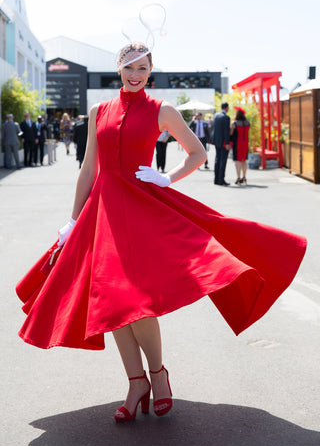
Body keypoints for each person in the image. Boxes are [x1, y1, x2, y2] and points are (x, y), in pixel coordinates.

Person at [16, 42, 306, 424]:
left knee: (137, 302)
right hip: (102, 214)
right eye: (129, 67)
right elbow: (88, 169)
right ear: (118, 70)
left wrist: (167, 178)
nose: (135, 74)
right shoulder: (98, 111)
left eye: (142, 67)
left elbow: (198, 153)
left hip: (142, 210)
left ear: (150, 71)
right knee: (113, 302)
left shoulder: (162, 110)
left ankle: (157, 375)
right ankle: (136, 383)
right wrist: (72, 221)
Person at [212, 103, 231, 185]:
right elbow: (226, 131)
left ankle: (216, 179)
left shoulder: (216, 115)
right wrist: (227, 143)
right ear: (227, 108)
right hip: (223, 142)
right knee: (223, 161)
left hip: (216, 141)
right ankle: (221, 180)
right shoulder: (226, 117)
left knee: (217, 160)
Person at [231, 107, 250, 185]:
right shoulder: (247, 122)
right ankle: (244, 177)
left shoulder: (234, 123)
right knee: (244, 160)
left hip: (238, 143)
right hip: (245, 142)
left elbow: (231, 133)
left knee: (238, 160)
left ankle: (238, 177)